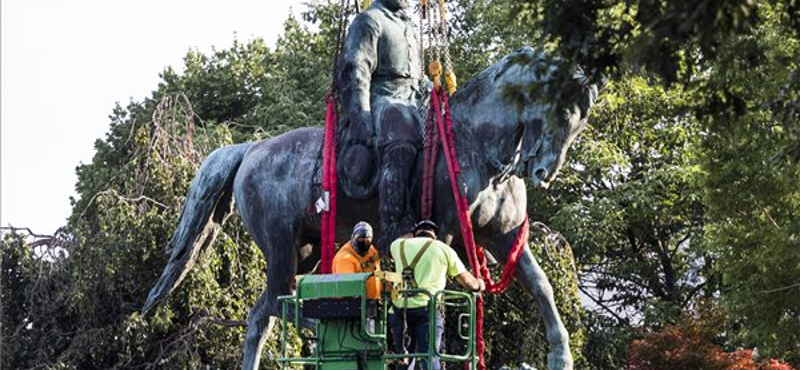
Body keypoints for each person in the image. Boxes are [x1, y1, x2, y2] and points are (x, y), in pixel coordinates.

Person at [337, 0, 425, 252]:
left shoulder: (408, 25)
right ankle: (394, 226)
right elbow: (356, 69)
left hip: (413, 99)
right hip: (383, 100)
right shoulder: (370, 20)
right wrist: (360, 117)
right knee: (402, 136)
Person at [389, 220, 485, 370]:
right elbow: (467, 281)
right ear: (435, 235)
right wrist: (479, 284)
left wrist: (413, 231)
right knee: (430, 357)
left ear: (415, 234)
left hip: (400, 310)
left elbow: (403, 237)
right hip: (428, 311)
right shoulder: (443, 249)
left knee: (404, 359)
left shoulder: (397, 246)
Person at [332, 221, 382, 300]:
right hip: (358, 305)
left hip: (375, 302)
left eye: (367, 241)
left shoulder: (371, 249)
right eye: (361, 241)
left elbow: (376, 266)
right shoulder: (344, 259)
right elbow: (348, 289)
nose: (365, 244)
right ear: (354, 238)